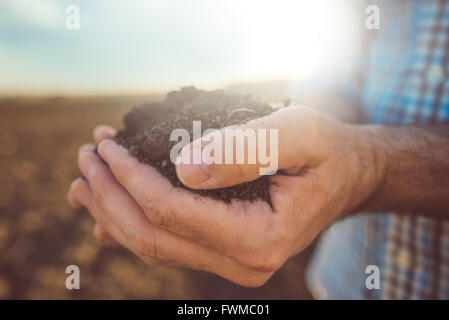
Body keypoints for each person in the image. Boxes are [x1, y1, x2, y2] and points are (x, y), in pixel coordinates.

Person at [67, 0, 449, 299]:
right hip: (343, 283)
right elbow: (339, 76)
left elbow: (361, 161)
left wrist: (368, 167)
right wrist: (308, 134)